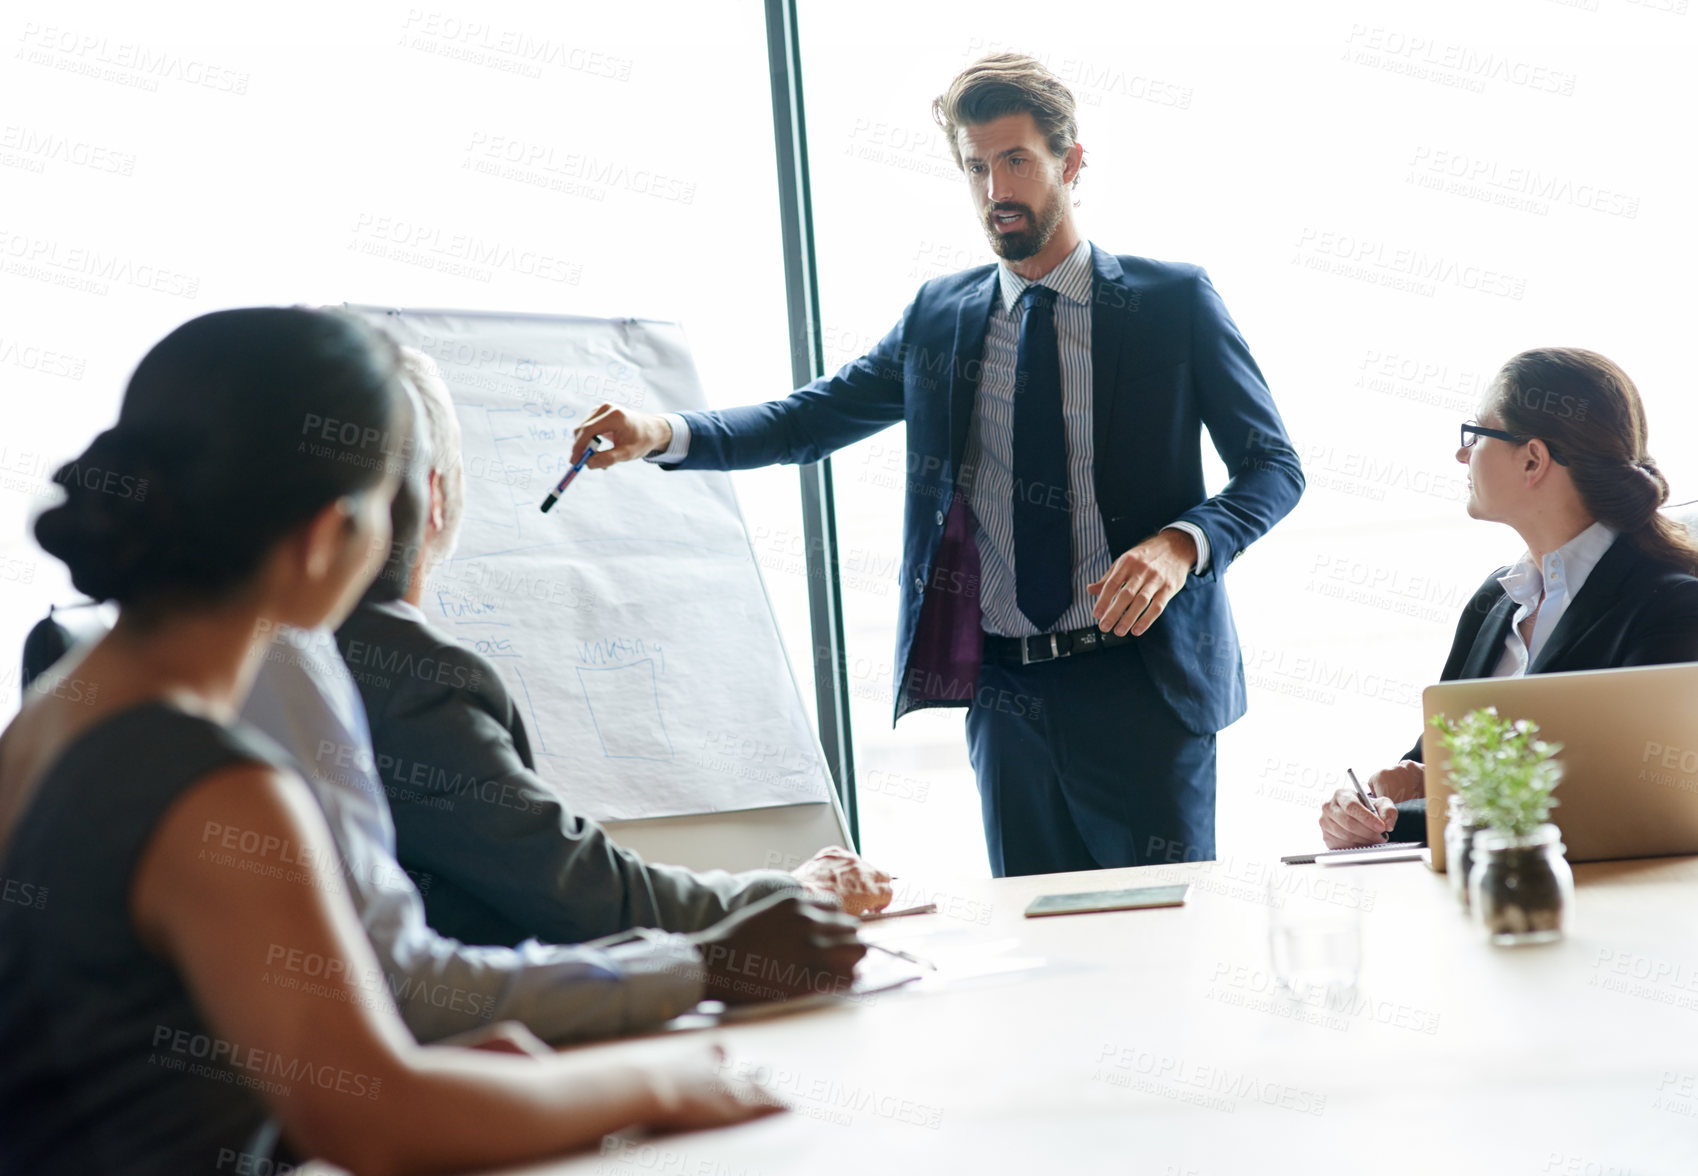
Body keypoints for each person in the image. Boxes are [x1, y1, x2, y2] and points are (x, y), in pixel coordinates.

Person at [0, 308, 817, 1176]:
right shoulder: (219, 789)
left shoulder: (53, 713)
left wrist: (456, 1078)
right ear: (327, 536)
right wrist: (659, 1082)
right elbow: (374, 1122)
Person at [568, 53, 1304, 877]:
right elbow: (806, 420)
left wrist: (1182, 544)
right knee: (1041, 958)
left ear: (1072, 162)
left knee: (1166, 943)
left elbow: (1274, 467)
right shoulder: (939, 317)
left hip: (1142, 684)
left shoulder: (1172, 302)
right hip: (1004, 700)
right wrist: (660, 430)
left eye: (1017, 161)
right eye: (976, 168)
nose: (996, 191)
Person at [332, 346, 891, 960]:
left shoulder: (275, 659)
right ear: (436, 498)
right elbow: (596, 899)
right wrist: (800, 889)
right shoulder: (413, 684)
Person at [1320, 347, 1698, 849]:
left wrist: (1400, 823)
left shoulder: (1669, 607)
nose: (1462, 454)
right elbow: (1430, 772)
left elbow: (1621, 808)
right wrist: (1373, 809)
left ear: (1533, 459)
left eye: (1476, 434)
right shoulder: (1495, 601)